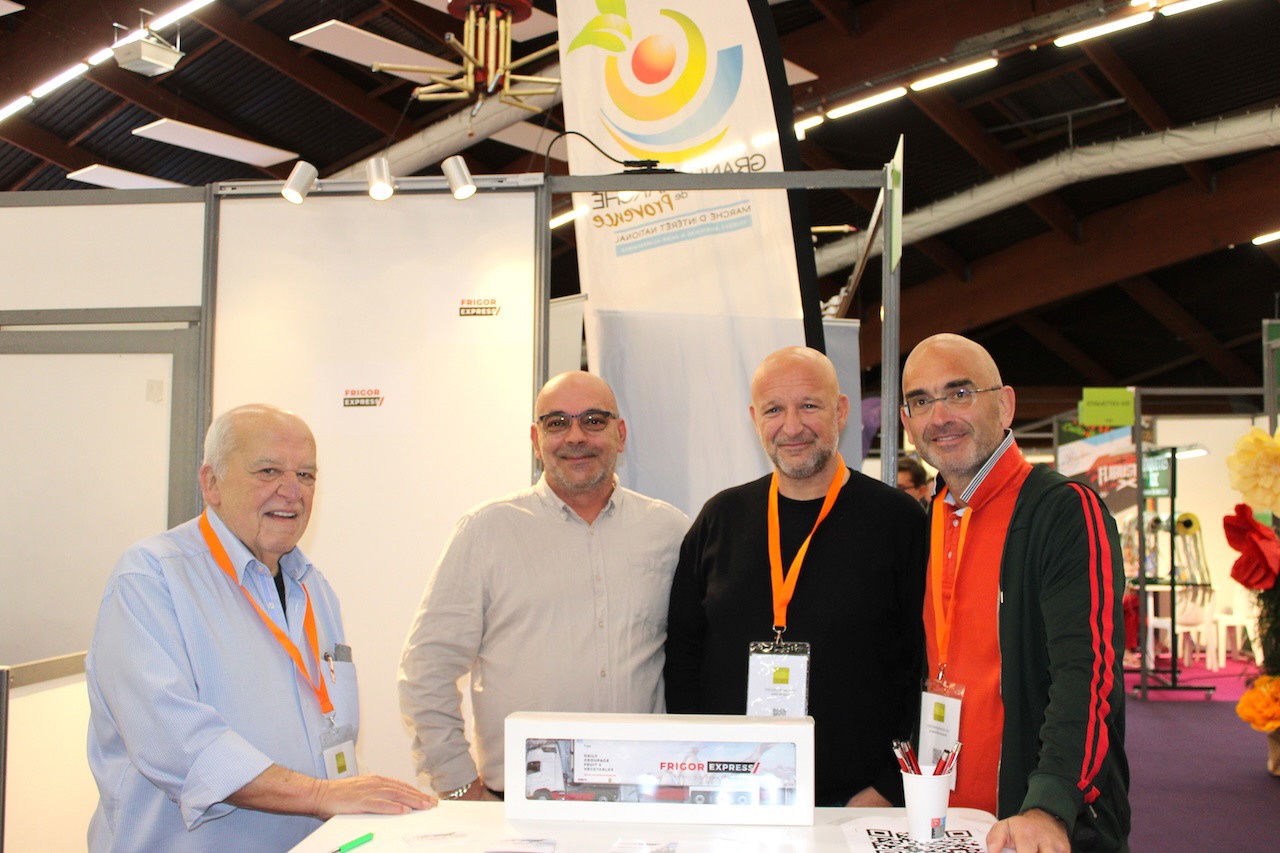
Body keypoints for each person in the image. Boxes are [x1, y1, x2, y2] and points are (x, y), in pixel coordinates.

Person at [86, 404, 433, 851]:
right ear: (211, 483)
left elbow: (328, 734)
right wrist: (320, 795)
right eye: (269, 471)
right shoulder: (151, 577)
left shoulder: (314, 588)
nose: (292, 491)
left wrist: (360, 802)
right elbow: (178, 746)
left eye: (306, 475)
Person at [398, 371, 689, 800]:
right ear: (536, 440)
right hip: (519, 806)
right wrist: (460, 788)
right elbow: (426, 669)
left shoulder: (669, 531)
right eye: (557, 423)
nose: (575, 436)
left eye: (593, 420)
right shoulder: (487, 531)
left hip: (641, 801)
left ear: (621, 434)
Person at [664, 347, 926, 807]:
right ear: (754, 419)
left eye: (808, 405)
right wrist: (698, 765)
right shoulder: (719, 519)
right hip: (731, 796)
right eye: (773, 410)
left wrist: (891, 785)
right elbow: (684, 657)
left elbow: (924, 666)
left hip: (859, 804)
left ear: (840, 410)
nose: (791, 426)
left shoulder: (898, 521)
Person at [899, 334, 1129, 853]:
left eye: (959, 394)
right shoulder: (927, 520)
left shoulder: (1063, 511)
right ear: (907, 422)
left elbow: (1087, 674)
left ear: (1005, 405)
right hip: (938, 823)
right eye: (921, 401)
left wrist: (1049, 806)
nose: (940, 417)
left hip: (1032, 828)